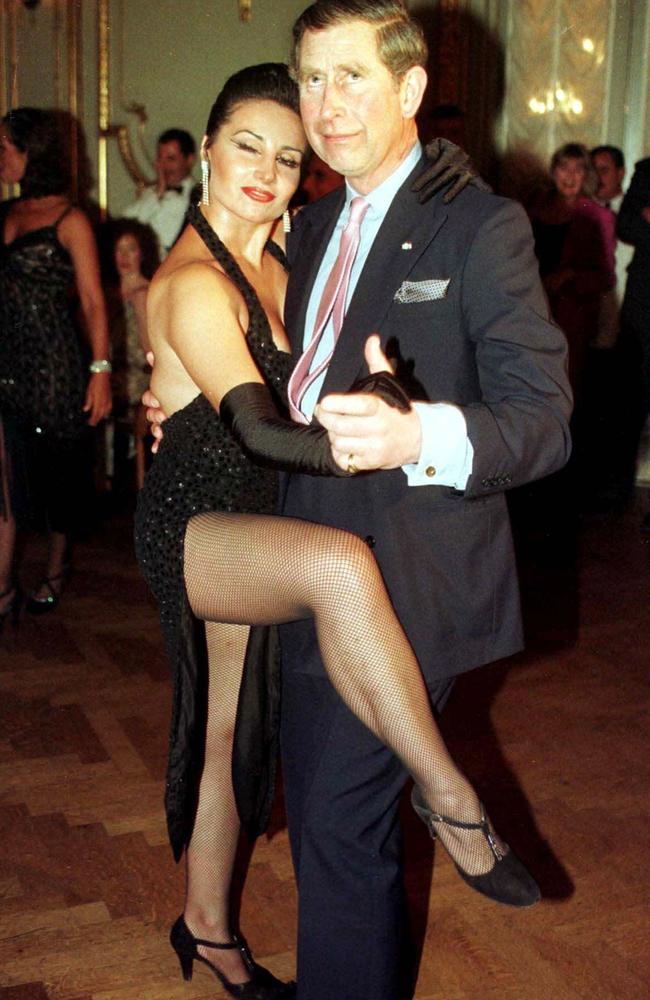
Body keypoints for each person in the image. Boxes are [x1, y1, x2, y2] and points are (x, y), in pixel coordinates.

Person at [135, 60, 541, 1000]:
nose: (267, 171)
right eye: (246, 145)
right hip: (194, 528)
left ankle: (207, 926)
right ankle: (448, 794)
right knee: (338, 567)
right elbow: (256, 428)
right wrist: (383, 445)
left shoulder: (283, 258)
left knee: (233, 731)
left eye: (286, 156)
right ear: (204, 147)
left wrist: (386, 400)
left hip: (249, 519)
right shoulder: (197, 282)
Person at [275, 4, 571, 998]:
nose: (326, 104)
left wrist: (419, 435)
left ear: (407, 90)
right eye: (311, 78)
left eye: (351, 76)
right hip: (306, 566)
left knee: (335, 822)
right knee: (323, 816)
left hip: (408, 582)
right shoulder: (310, 224)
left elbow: (543, 419)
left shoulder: (478, 223)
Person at [0, 107, 111, 624]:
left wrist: (101, 370)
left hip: (54, 364)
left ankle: (56, 565)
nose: (0, 157)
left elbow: (92, 302)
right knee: (5, 475)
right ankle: (2, 586)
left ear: (33, 153)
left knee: (57, 472)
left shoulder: (71, 220)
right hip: (6, 362)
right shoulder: (5, 213)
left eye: (7, 147)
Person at [528, 141, 614, 400]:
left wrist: (570, 275)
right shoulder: (533, 208)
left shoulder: (598, 216)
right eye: (564, 168)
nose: (570, 176)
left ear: (587, 175)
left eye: (578, 170)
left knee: (562, 394)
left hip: (570, 319)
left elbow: (606, 277)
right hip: (529, 310)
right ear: (553, 172)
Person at [106, 219, 158, 490]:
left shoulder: (144, 294)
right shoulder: (107, 294)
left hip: (138, 387)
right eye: (119, 249)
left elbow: (152, 355)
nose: (124, 257)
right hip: (110, 381)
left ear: (143, 252)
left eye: (131, 249)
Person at [614, 156, 650, 523]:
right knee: (633, 397)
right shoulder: (647, 172)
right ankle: (621, 490)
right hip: (645, 305)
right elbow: (627, 226)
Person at [123, 128, 196, 259]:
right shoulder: (150, 194)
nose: (163, 166)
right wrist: (158, 193)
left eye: (171, 159)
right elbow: (126, 225)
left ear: (189, 160)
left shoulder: (199, 196)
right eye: (160, 158)